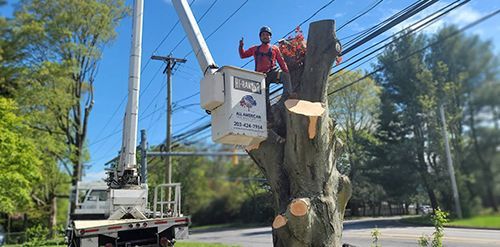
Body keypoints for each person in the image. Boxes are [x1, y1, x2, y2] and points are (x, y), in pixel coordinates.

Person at [239, 26, 294, 123]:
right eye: (263, 35)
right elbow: (243, 55)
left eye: (267, 35)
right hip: (261, 77)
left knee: (285, 75)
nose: (265, 37)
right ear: (260, 37)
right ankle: (270, 119)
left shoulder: (274, 48)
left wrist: (286, 72)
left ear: (270, 37)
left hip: (272, 72)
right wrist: (241, 46)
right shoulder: (255, 49)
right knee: (264, 99)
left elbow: (281, 62)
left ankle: (287, 95)